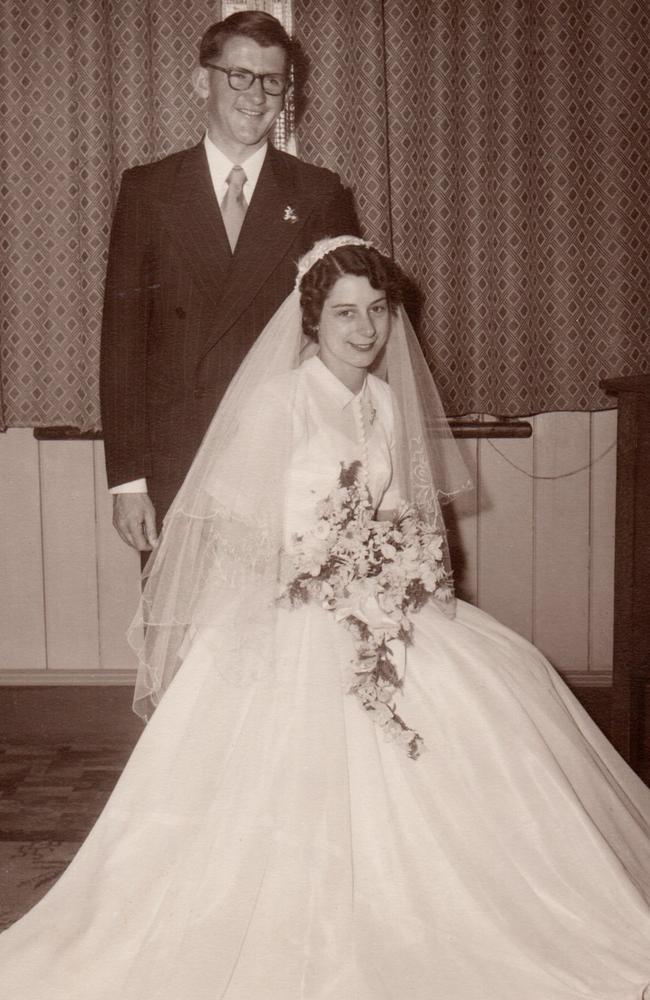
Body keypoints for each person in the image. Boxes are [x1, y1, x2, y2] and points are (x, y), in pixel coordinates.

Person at [1, 236, 650, 999]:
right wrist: (323, 569)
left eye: (377, 311)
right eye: (345, 314)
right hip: (295, 612)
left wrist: (402, 570)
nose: (366, 329)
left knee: (499, 690)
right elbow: (237, 529)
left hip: (376, 602)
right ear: (313, 321)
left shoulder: (380, 400)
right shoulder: (282, 401)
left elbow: (403, 512)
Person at [100, 10, 358, 553]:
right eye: (239, 76)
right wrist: (128, 481)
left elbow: (348, 341)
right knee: (187, 635)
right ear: (202, 81)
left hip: (288, 456)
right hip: (178, 460)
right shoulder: (148, 190)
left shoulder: (318, 193)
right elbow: (122, 343)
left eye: (272, 81)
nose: (256, 96)